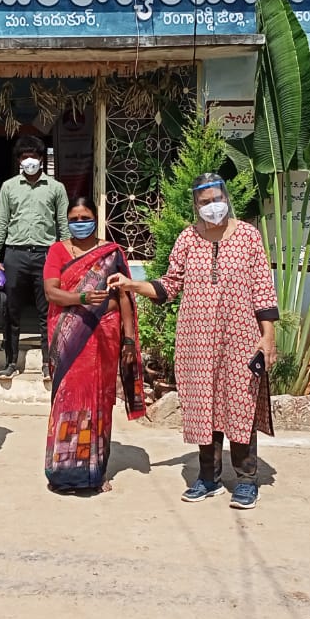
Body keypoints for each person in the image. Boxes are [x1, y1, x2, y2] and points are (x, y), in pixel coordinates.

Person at [109, 174, 278, 509]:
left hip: (241, 336)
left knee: (240, 403)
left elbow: (263, 289)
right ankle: (208, 478)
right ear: (195, 206)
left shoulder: (248, 236)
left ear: (226, 199)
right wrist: (131, 285)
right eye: (204, 202)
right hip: (196, 337)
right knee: (203, 404)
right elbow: (170, 285)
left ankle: (246, 479)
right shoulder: (188, 239)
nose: (212, 207)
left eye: (216, 199)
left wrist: (268, 337)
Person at [42, 197, 144, 494]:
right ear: (67, 221)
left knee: (98, 400)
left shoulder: (111, 253)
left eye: (85, 216)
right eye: (74, 218)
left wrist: (128, 338)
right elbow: (52, 293)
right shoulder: (58, 251)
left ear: (96, 218)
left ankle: (93, 472)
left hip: (105, 335)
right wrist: (82, 299)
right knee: (68, 398)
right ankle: (63, 472)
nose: (79, 222)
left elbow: (124, 296)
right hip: (69, 337)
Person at [0, 135, 70, 379]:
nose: (30, 161)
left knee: (48, 310)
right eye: (25, 157)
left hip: (47, 255)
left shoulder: (56, 188)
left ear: (42, 159)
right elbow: (0, 223)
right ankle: (11, 362)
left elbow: (63, 226)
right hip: (15, 254)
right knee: (11, 310)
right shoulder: (9, 187)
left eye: (34, 156)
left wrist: (67, 258)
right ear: (19, 161)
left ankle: (48, 362)